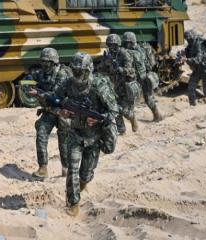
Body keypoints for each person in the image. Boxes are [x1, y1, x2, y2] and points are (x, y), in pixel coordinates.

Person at [58, 52, 119, 216]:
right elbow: (54, 99)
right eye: (75, 70)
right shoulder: (67, 84)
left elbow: (114, 110)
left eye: (81, 71)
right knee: (72, 170)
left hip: (94, 138)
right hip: (75, 134)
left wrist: (99, 120)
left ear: (88, 71)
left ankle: (83, 185)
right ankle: (73, 204)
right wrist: (61, 111)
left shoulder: (99, 85)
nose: (77, 74)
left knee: (86, 174)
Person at [28, 48, 70, 179]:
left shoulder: (62, 74)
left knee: (64, 141)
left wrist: (38, 93)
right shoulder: (42, 74)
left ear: (54, 63)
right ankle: (43, 168)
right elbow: (28, 78)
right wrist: (27, 83)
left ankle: (66, 168)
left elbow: (56, 95)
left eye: (47, 63)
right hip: (49, 111)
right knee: (41, 131)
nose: (44, 65)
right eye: (42, 62)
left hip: (63, 112)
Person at [97, 33, 137, 135]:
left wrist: (117, 68)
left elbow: (130, 70)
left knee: (123, 110)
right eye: (109, 45)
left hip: (124, 86)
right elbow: (100, 69)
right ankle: (121, 129)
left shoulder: (124, 54)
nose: (111, 47)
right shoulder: (108, 55)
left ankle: (132, 117)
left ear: (118, 45)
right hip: (113, 86)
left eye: (113, 45)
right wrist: (105, 64)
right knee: (114, 108)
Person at [122, 32, 162, 123]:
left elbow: (137, 58)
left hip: (143, 78)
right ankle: (155, 116)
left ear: (131, 42)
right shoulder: (134, 49)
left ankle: (157, 116)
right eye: (125, 42)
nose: (126, 44)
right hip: (138, 78)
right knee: (134, 98)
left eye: (127, 42)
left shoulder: (138, 50)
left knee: (146, 98)